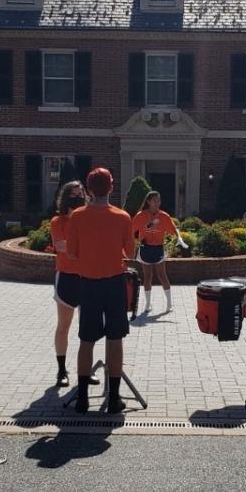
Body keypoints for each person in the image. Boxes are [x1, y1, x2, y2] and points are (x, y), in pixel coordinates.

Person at [66, 168, 134, 414]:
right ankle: (114, 399)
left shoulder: (77, 217)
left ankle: (82, 399)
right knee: (115, 340)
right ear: (112, 188)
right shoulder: (123, 217)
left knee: (86, 340)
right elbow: (131, 253)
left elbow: (72, 252)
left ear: (88, 189)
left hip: (88, 283)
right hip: (115, 282)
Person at [49, 180, 86, 387]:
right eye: (74, 195)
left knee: (87, 327)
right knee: (64, 325)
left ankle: (85, 368)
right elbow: (61, 246)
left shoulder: (88, 220)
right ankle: (62, 370)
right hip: (66, 277)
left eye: (81, 194)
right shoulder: (58, 221)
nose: (78, 197)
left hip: (87, 277)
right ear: (65, 198)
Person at [132, 190, 177, 314]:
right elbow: (131, 231)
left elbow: (173, 230)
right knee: (147, 277)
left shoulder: (164, 216)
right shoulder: (140, 216)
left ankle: (169, 303)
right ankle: (147, 304)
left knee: (162, 275)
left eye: (159, 200)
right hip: (145, 248)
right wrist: (134, 244)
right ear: (148, 202)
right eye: (154, 200)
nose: (157, 203)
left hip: (158, 248)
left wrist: (177, 239)